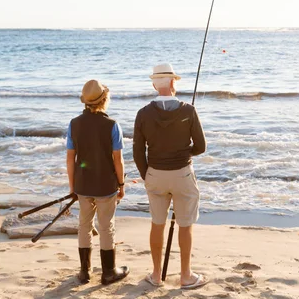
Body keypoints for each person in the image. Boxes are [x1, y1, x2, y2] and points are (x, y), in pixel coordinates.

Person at [133, 63, 208, 289]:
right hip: (182, 175)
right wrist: (184, 153)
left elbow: (138, 152)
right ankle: (185, 276)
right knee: (185, 225)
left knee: (157, 224)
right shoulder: (188, 110)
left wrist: (147, 175)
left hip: (155, 174)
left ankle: (156, 275)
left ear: (155, 84)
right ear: (173, 82)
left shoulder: (143, 113)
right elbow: (201, 147)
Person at [66, 79, 130, 285]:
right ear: (105, 100)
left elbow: (70, 158)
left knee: (84, 226)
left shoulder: (74, 124)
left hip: (83, 185)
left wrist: (72, 187)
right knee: (106, 227)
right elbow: (118, 160)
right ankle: (108, 272)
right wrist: (121, 185)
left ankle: (84, 272)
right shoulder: (112, 125)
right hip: (106, 186)